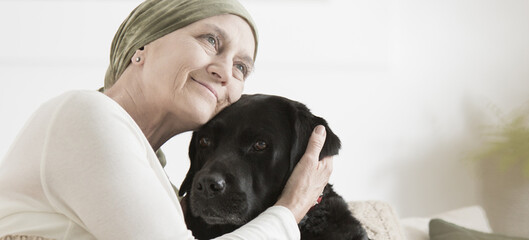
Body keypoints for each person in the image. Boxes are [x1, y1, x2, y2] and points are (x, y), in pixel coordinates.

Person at [0, 0, 333, 239]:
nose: (224, 71)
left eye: (241, 68)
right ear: (142, 44)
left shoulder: (151, 179)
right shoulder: (87, 114)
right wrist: (290, 210)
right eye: (211, 40)